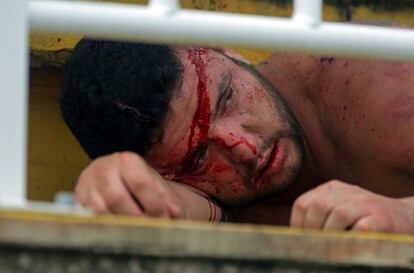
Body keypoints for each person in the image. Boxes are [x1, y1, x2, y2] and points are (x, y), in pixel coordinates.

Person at [61, 39, 414, 233]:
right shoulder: (199, 195)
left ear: (224, 50)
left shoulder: (383, 91)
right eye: (200, 157)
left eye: (228, 97)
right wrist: (119, 188)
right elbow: (179, 207)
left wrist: (403, 215)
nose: (244, 147)